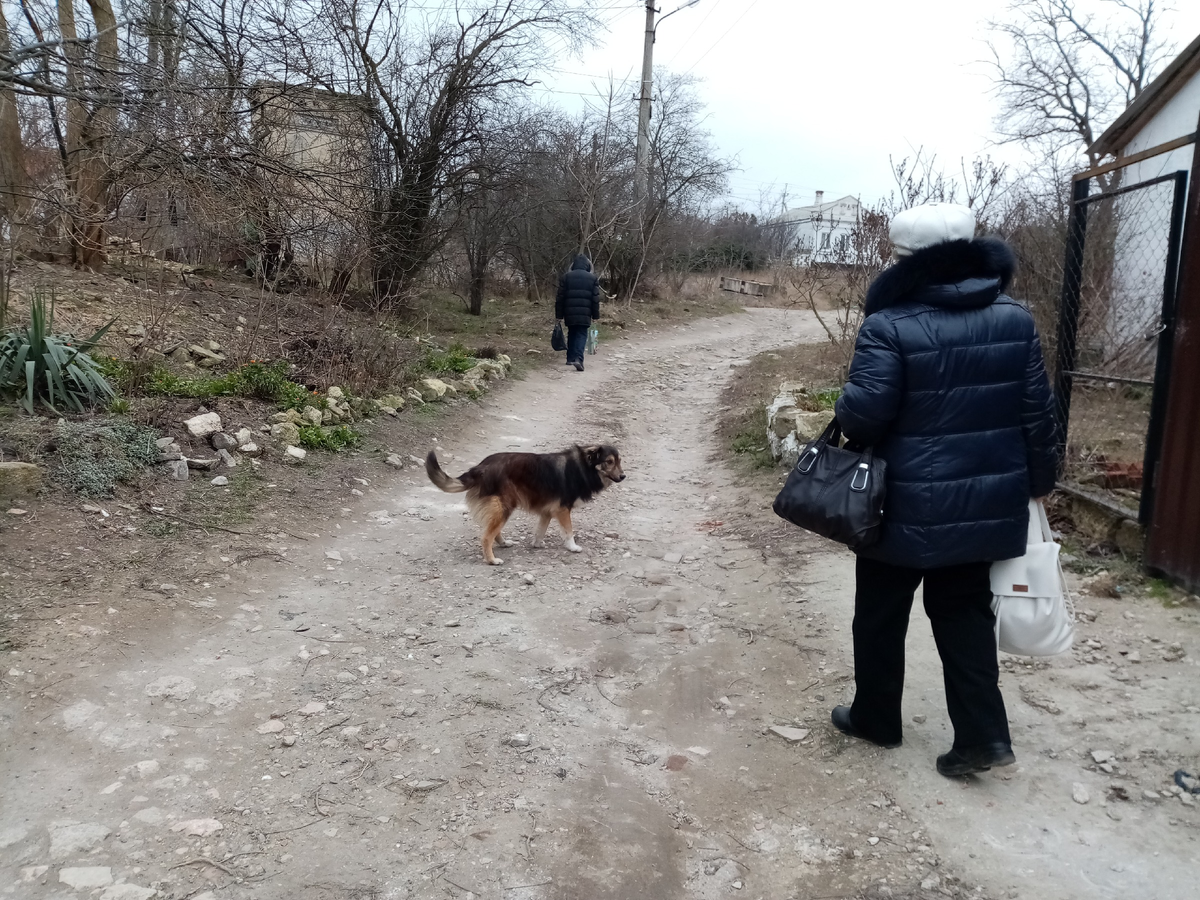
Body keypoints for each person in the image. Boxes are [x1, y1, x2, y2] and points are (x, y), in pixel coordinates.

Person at [829, 202, 1058, 777]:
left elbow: (865, 415)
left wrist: (844, 409)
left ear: (903, 258)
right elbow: (1039, 412)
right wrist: (1039, 481)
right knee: (964, 615)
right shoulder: (1016, 318)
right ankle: (984, 738)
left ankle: (876, 718)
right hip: (982, 500)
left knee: (880, 613)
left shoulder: (890, 323)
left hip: (898, 501)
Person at [555, 254, 600, 372]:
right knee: (581, 334)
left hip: (569, 312)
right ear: (587, 266)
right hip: (585, 312)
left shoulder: (566, 277)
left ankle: (570, 358)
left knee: (572, 332)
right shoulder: (592, 278)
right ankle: (579, 359)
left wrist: (558, 315)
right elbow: (595, 299)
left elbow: (560, 298)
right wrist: (596, 316)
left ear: (574, 265)